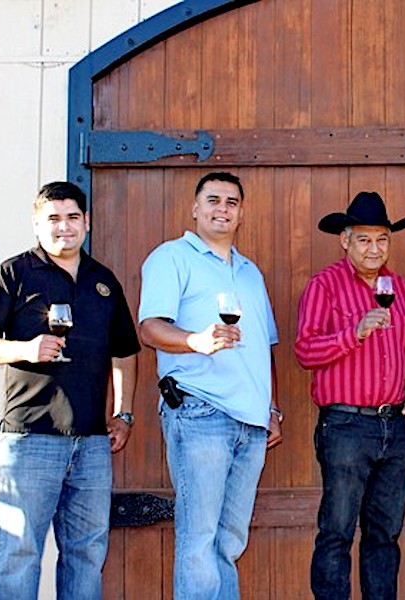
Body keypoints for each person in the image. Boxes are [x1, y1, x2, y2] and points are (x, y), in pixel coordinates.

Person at [0, 181, 140, 599]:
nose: (64, 227)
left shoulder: (103, 281)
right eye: (54, 219)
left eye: (72, 218)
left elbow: (125, 353)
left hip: (92, 443)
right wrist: (26, 348)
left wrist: (124, 413)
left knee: (86, 553)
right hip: (29, 440)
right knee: (20, 553)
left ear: (86, 222)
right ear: (37, 224)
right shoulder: (14, 272)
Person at [138, 172, 282, 598]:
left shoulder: (250, 271)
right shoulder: (171, 257)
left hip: (250, 423)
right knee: (199, 541)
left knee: (229, 542)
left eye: (232, 202)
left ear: (241, 214)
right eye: (213, 200)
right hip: (201, 411)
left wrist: (271, 409)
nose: (223, 208)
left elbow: (264, 346)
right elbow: (149, 328)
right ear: (195, 209)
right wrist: (194, 341)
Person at [295, 191, 405, 600]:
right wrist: (354, 333)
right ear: (345, 241)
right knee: (337, 532)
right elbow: (305, 350)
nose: (375, 249)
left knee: (385, 535)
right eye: (365, 240)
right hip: (346, 426)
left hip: (395, 426)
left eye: (382, 240)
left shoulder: (401, 289)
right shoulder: (325, 286)